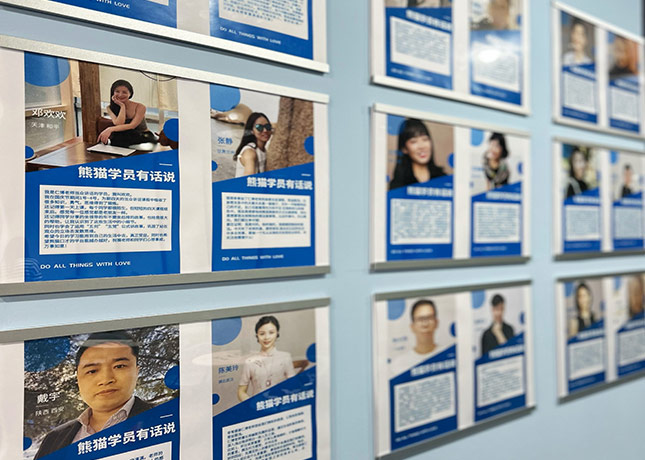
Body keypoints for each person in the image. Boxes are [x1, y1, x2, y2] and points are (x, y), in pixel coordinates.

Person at [35, 331, 152, 459]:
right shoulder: (54, 439)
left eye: (119, 366)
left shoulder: (163, 418)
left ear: (136, 371)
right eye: (92, 371)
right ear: (78, 379)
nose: (105, 379)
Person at [237, 316, 295, 401]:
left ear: (277, 333)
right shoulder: (250, 362)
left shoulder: (285, 357)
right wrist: (250, 404)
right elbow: (241, 391)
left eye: (271, 332)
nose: (267, 337)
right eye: (262, 334)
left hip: (279, 403)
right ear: (257, 335)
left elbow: (293, 385)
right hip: (258, 405)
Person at [389, 118, 445, 190]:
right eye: (414, 141)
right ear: (404, 149)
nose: (421, 146)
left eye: (425, 139)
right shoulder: (399, 184)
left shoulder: (443, 179)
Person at [390, 300, 442, 376]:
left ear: (436, 322)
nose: (425, 324)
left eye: (429, 318)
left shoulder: (447, 354)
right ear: (412, 326)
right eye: (420, 319)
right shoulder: (399, 363)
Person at [97, 80, 156, 147]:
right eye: (117, 91)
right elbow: (119, 123)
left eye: (124, 92)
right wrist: (122, 106)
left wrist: (110, 129)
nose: (120, 95)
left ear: (130, 94)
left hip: (142, 135)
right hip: (125, 135)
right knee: (118, 137)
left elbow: (132, 126)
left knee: (124, 136)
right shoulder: (109, 108)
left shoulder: (140, 107)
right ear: (113, 92)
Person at [233, 112, 272, 178]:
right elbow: (249, 179)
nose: (265, 130)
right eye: (259, 127)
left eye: (267, 126)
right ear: (252, 131)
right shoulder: (250, 152)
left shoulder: (263, 150)